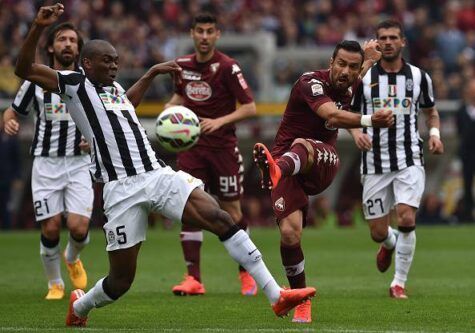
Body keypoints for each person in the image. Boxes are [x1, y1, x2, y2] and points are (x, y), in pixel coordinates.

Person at [15, 4, 315, 327]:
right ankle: (82, 306)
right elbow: (25, 69)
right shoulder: (73, 84)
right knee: (120, 281)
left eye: (117, 61)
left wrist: (150, 73)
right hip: (121, 190)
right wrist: (36, 27)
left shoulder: (114, 89)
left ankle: (275, 294)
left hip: (157, 175)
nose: (114, 66)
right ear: (87, 63)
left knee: (218, 215)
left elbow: (126, 105)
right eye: (107, 61)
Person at [253, 40, 393, 323]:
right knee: (290, 235)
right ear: (330, 62)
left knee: (304, 144)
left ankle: (275, 170)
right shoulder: (310, 83)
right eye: (340, 64)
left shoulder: (351, 81)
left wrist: (370, 60)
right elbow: (330, 114)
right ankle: (301, 299)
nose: (346, 71)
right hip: (287, 160)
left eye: (352, 67)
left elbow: (359, 71)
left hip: (321, 162)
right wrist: (369, 121)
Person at [349, 19, 444, 299]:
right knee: (378, 232)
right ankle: (387, 244)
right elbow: (348, 113)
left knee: (406, 216)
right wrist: (356, 134)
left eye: (393, 37)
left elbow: (431, 112)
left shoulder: (419, 77)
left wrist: (435, 134)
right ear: (376, 43)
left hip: (409, 157)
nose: (388, 42)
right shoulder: (364, 78)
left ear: (402, 42)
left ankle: (398, 283)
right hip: (374, 161)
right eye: (383, 38)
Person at [165, 13, 258, 296]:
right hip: (192, 149)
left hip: (223, 149)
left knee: (232, 211)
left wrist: (219, 121)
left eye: (209, 32)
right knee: (190, 209)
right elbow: (180, 97)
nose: (204, 37)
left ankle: (247, 272)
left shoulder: (228, 67)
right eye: (199, 31)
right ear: (192, 33)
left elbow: (250, 107)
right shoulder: (181, 66)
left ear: (217, 35)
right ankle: (193, 279)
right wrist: (168, 113)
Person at [3, 21, 93, 300]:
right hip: (46, 163)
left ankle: (72, 256)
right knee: (51, 226)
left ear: (78, 48)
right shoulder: (36, 81)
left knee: (79, 227)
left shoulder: (89, 82)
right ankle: (55, 284)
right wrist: (9, 122)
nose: (68, 44)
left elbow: (102, 119)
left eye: (72, 40)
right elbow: (12, 111)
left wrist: (93, 139)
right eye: (62, 39)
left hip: (79, 163)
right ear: (51, 46)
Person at [456, 78, 475, 222]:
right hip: (467, 155)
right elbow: (460, 131)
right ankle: (467, 215)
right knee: (466, 184)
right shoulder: (462, 109)